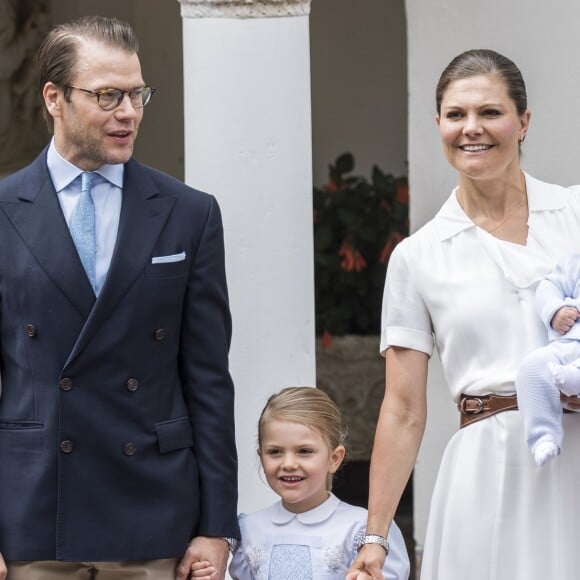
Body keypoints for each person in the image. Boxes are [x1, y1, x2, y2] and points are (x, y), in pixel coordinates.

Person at [0, 15, 239, 580]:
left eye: (137, 94)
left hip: (153, 516)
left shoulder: (190, 213)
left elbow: (208, 379)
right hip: (34, 516)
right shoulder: (3, 210)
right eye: (108, 95)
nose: (128, 112)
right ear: (54, 98)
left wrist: (216, 525)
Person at [346, 49, 580, 580]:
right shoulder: (418, 256)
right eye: (456, 115)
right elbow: (403, 409)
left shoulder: (575, 213)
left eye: (490, 112)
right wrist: (376, 536)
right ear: (438, 124)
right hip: (487, 469)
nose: (471, 129)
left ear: (523, 122)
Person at [205, 387, 409, 580]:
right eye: (275, 452)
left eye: (304, 451)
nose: (289, 464)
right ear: (261, 457)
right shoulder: (249, 530)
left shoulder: (363, 530)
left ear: (334, 458)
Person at [516, 253, 580, 466]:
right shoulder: (575, 263)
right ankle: (544, 437)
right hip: (567, 344)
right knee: (532, 367)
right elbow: (549, 287)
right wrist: (556, 311)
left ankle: (572, 378)